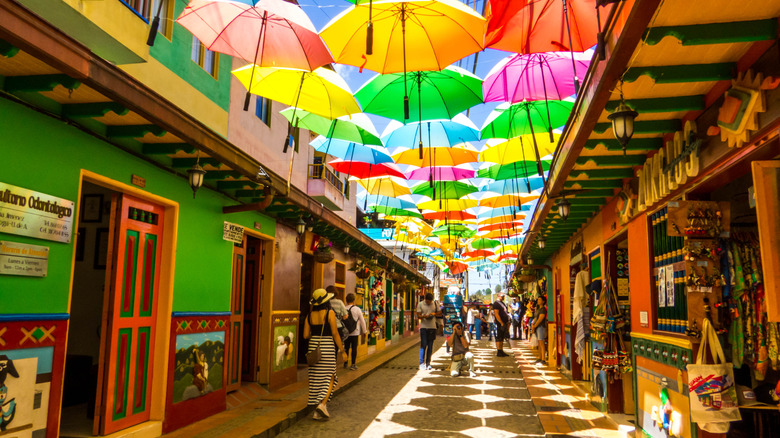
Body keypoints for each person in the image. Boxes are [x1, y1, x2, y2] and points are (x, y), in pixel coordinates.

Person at [303, 288, 347, 421]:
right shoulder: (330, 313)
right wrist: (342, 350)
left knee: (316, 379)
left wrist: (315, 335)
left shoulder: (309, 316)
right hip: (327, 346)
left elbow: (305, 335)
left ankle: (317, 411)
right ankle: (322, 405)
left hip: (313, 348)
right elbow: (335, 333)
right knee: (330, 376)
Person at [416, 292, 441, 371]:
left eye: (430, 301)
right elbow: (418, 315)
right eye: (427, 301)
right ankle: (421, 363)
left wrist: (434, 313)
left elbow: (439, 313)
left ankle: (428, 363)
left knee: (430, 346)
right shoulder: (420, 304)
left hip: (432, 327)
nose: (429, 303)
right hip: (424, 327)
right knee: (423, 345)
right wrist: (424, 316)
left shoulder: (435, 304)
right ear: (425, 299)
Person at [343, 293, 367, 371]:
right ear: (354, 300)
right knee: (354, 348)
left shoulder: (343, 308)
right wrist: (365, 331)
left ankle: (345, 362)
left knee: (346, 347)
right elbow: (362, 321)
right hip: (355, 332)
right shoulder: (357, 309)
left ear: (346, 300)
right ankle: (353, 364)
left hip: (346, 332)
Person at [492, 291, 511, 357]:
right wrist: (501, 322)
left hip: (504, 322)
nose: (503, 297)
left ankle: (501, 350)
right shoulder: (496, 304)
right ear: (499, 296)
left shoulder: (502, 303)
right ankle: (499, 350)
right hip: (500, 323)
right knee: (499, 337)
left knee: (502, 337)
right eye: (502, 296)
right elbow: (496, 314)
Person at [531, 295, 548, 363]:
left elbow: (540, 319)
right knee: (539, 343)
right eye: (538, 299)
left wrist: (535, 325)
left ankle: (543, 359)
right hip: (537, 327)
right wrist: (533, 325)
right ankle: (540, 357)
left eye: (540, 299)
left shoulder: (543, 309)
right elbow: (535, 318)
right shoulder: (538, 309)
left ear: (543, 301)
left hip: (541, 327)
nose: (538, 301)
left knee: (542, 342)